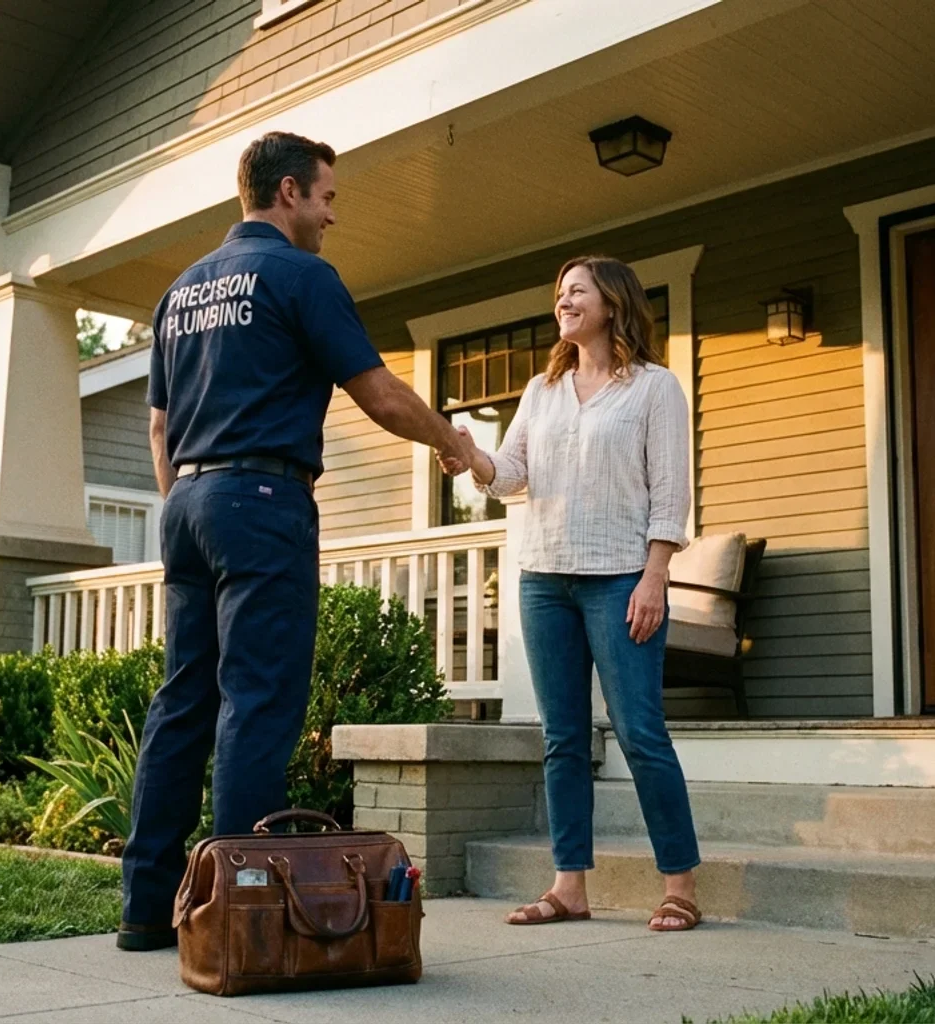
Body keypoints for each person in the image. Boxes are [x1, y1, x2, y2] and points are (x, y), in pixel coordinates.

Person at [119, 131, 475, 952]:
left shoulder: (182, 291)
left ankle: (145, 910)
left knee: (184, 700)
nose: (331, 215)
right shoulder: (300, 276)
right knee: (259, 700)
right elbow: (380, 395)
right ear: (286, 193)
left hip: (189, 502)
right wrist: (453, 442)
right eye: (326, 196)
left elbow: (160, 424)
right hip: (263, 496)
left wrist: (187, 507)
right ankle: (239, 913)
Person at [441, 256, 702, 932]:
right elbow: (513, 473)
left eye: (575, 291)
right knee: (561, 739)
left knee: (641, 733)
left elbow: (670, 494)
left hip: (620, 578)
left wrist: (655, 575)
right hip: (545, 578)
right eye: (558, 293)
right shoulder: (543, 389)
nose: (563, 302)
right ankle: (569, 886)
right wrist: (472, 456)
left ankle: (679, 885)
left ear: (612, 304)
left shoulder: (654, 389)